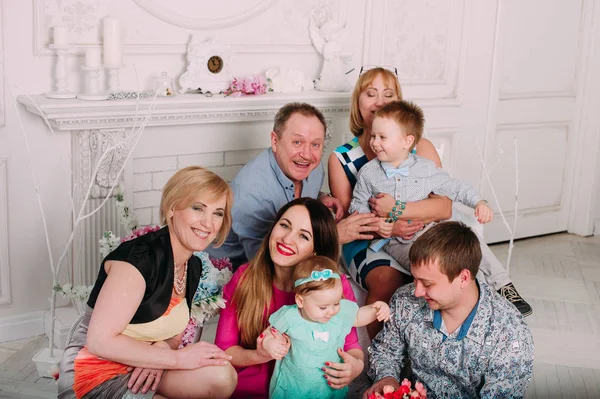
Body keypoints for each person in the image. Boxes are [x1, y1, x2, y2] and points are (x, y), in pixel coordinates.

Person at [328, 67, 531, 337]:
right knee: (399, 277)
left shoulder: (419, 151)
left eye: (388, 94)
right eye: (370, 94)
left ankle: (477, 322)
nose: (379, 101)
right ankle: (386, 359)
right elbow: (353, 220)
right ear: (358, 101)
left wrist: (398, 212)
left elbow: (444, 206)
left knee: (454, 255)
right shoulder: (345, 159)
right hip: (371, 239)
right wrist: (391, 225)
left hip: (421, 230)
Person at [58, 166, 237, 399]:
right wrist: (175, 359)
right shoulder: (139, 259)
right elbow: (99, 342)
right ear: (173, 207)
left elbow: (172, 334)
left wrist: (160, 351)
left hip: (142, 365)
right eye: (198, 208)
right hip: (94, 372)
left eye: (218, 213)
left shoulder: (192, 265)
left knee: (223, 376)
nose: (208, 222)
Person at [363, 222, 534, 399]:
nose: (417, 292)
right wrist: (386, 379)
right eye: (415, 279)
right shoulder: (405, 300)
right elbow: (385, 351)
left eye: (428, 284)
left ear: (463, 278)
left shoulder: (510, 332)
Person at [215, 198, 365, 399]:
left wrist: (354, 367)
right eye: (284, 225)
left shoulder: (334, 285)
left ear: (316, 250)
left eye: (303, 236)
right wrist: (259, 355)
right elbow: (225, 350)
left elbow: (352, 348)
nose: (286, 239)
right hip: (249, 391)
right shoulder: (244, 278)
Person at [207, 101, 376, 270]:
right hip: (236, 273)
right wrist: (333, 236)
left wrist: (320, 197)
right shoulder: (251, 193)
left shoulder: (312, 168)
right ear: (275, 141)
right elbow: (267, 266)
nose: (307, 154)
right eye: (297, 142)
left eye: (315, 144)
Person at [349, 100, 494, 268]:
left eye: (382, 137)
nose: (374, 142)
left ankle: (500, 288)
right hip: (398, 242)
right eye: (373, 136)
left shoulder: (424, 167)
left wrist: (479, 202)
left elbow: (454, 186)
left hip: (431, 232)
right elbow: (357, 208)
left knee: (466, 253)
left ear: (407, 141)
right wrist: (377, 225)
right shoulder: (368, 173)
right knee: (427, 265)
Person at [266, 256, 390, 399]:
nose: (331, 311)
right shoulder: (289, 316)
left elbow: (357, 317)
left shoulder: (339, 313)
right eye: (323, 307)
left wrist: (377, 309)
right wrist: (270, 343)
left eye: (336, 303)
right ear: (300, 301)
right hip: (295, 386)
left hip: (327, 385)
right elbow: (270, 332)